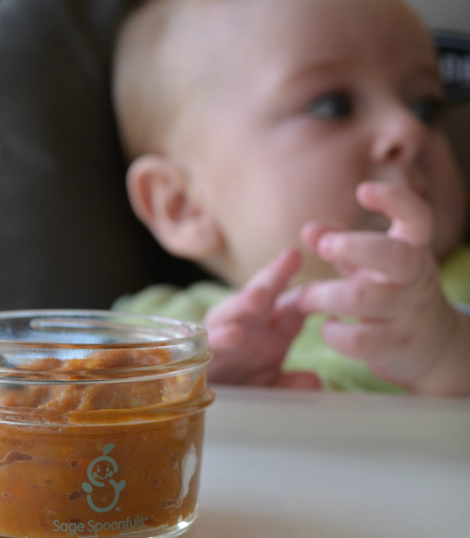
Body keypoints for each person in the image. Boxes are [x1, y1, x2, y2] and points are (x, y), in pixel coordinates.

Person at [111, 0, 470, 396]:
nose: (408, 129)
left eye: (426, 107)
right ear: (183, 206)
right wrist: (195, 391)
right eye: (334, 106)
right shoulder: (157, 332)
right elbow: (86, 430)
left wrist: (448, 351)